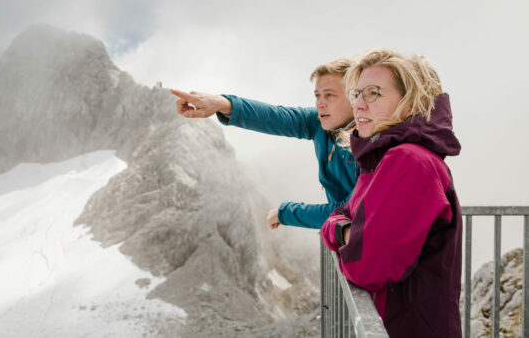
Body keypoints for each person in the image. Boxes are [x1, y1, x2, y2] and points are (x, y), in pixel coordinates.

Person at [321, 49, 462, 337]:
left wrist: (339, 231)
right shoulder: (382, 161)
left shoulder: (408, 162)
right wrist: (349, 230)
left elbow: (367, 267)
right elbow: (342, 214)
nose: (358, 105)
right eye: (356, 93)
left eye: (373, 93)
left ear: (410, 101)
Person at [171, 59, 359, 230]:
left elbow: (349, 213)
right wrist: (222, 103)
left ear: (354, 99)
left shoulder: (371, 146)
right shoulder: (320, 123)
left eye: (329, 95)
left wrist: (285, 213)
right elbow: (275, 117)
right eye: (317, 95)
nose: (320, 104)